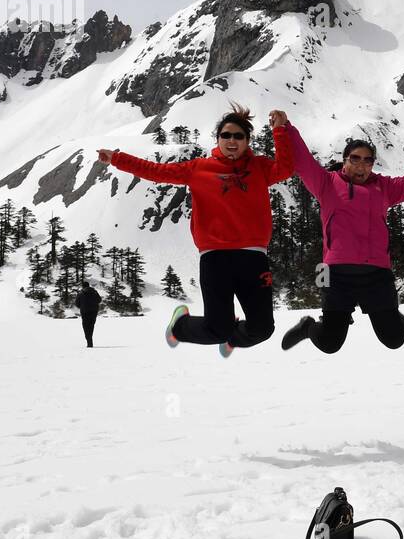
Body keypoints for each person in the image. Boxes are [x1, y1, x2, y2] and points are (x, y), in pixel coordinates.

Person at [98, 102, 292, 357]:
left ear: (247, 141)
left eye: (238, 136)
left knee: (262, 329)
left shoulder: (260, 168)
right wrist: (118, 159)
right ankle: (180, 326)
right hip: (215, 259)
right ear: (218, 139)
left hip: (253, 258)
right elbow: (156, 172)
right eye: (226, 135)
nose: (231, 140)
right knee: (217, 329)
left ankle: (233, 340)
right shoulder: (198, 169)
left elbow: (287, 167)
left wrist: (281, 130)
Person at [281, 128, 404, 353]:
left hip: (377, 273)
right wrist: (285, 128)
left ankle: (390, 312)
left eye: (368, 160)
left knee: (394, 340)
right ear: (344, 160)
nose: (361, 165)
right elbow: (302, 160)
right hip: (336, 273)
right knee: (330, 344)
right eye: (355, 159)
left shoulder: (384, 187)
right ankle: (308, 327)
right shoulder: (326, 183)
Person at [75, 281, 101, 348]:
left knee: (85, 326)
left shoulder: (80, 293)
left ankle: (89, 341)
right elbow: (99, 300)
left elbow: (77, 303)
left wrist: (82, 306)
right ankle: (90, 340)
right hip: (94, 311)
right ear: (88, 285)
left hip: (84, 312)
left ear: (83, 286)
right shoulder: (94, 292)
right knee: (91, 325)